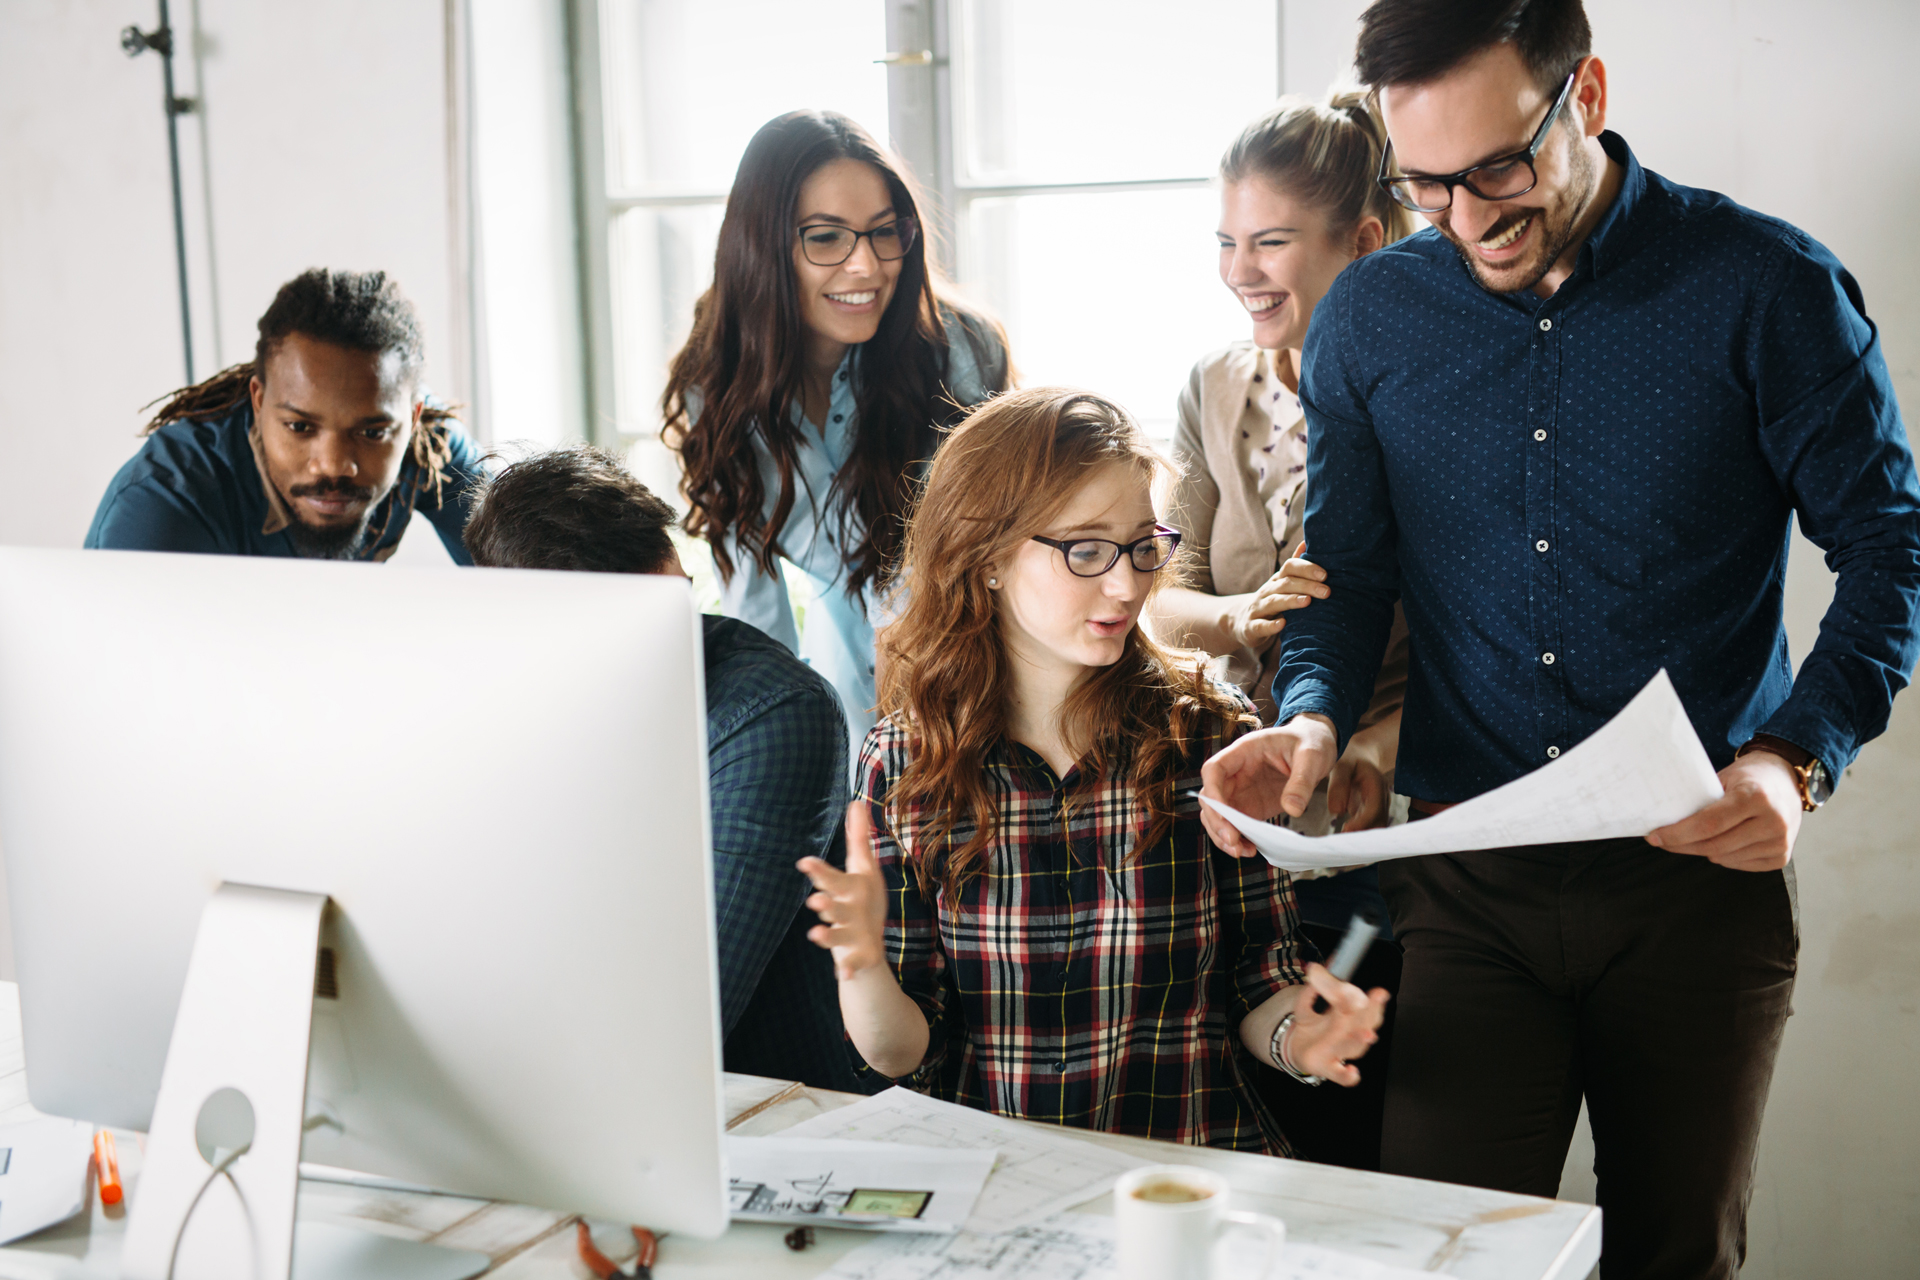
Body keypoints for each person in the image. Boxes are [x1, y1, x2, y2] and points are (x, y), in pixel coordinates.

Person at [1199, 2, 1920, 1276]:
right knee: (1446, 1255)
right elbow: (1347, 573)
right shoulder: (1370, 317)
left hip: (1694, 881)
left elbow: (1890, 544)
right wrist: (1310, 713)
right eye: (1425, 186)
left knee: (1675, 1254)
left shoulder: (1768, 286)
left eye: (1496, 169)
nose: (1466, 217)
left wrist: (1796, 757)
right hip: (1465, 877)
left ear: (1583, 94)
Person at [797, 388, 1386, 1153]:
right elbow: (901, 1052)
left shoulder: (1209, 735)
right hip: (994, 1182)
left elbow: (1260, 981)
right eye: (1086, 551)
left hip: (1187, 1171)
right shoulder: (907, 761)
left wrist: (1302, 1041)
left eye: (1143, 546)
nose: (1127, 585)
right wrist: (862, 966)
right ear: (986, 557)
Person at [1148, 90, 1418, 1172]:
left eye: (1269, 241)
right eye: (1226, 241)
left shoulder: (1428, 396)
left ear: (1363, 242)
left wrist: (1372, 750)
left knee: (1351, 1118)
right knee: (1232, 1133)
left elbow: (1473, 636)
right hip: (1231, 823)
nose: (1240, 270)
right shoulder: (1216, 387)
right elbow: (1159, 594)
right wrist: (1236, 615)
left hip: (1371, 831)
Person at [462, 445, 858, 1091]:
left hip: (759, 1107)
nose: (679, 642)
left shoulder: (775, 712)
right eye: (637, 628)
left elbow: (682, 1019)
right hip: (552, 1084)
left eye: (679, 605)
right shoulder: (488, 703)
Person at [664, 110, 1012, 759]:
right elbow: (755, 608)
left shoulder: (961, 351)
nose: (867, 266)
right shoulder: (717, 385)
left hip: (975, 672)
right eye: (826, 238)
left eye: (885, 232)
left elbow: (995, 552)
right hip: (847, 695)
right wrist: (775, 753)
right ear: (761, 246)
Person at [87, 269, 485, 562]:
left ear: (412, 420)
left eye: (372, 433)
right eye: (300, 426)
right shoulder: (159, 510)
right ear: (258, 403)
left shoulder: (431, 448)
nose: (334, 466)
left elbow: (517, 581)